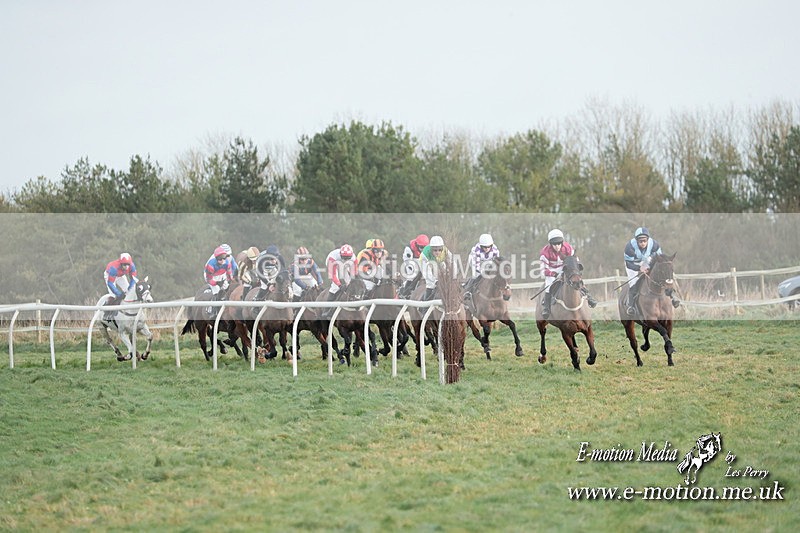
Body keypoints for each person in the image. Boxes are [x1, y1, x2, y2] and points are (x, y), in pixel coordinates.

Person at [539, 229, 597, 319]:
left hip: (565, 268)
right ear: (550, 244)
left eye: (559, 243)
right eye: (554, 244)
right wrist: (554, 274)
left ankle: (589, 297)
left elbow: (574, 260)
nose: (557, 246)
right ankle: (546, 307)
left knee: (577, 280)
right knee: (549, 285)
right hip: (551, 271)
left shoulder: (568, 248)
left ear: (562, 242)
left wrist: (576, 269)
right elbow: (543, 270)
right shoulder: (545, 252)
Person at [623, 227, 679, 313]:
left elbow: (660, 258)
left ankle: (672, 295)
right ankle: (631, 306)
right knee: (633, 282)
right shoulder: (629, 247)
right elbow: (628, 264)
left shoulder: (654, 245)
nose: (643, 243)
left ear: (648, 240)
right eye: (640, 241)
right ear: (636, 240)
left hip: (646, 260)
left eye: (645, 241)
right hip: (633, 264)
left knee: (660, 276)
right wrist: (639, 268)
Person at [463, 233, 500, 302]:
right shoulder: (476, 251)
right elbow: (476, 266)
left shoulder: (495, 251)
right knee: (475, 276)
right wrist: (481, 272)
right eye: (485, 247)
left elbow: (496, 263)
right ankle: (468, 291)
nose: (487, 249)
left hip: (488, 262)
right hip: (475, 261)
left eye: (489, 247)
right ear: (481, 246)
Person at [103, 252, 139, 320]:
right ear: (121, 263)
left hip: (120, 276)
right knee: (113, 295)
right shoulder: (114, 268)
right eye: (124, 265)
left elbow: (133, 279)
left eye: (128, 264)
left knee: (129, 292)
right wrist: (118, 293)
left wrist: (129, 288)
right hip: (110, 276)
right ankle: (107, 314)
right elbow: (110, 283)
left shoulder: (132, 266)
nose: (126, 267)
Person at [419, 235, 452, 301]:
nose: (437, 252)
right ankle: (425, 306)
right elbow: (427, 273)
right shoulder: (425, 254)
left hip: (439, 261)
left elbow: (451, 262)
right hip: (426, 262)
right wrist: (435, 281)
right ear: (431, 249)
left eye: (440, 250)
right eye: (435, 250)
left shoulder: (446, 251)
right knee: (430, 284)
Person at [204, 246, 234, 314]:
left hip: (221, 274)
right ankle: (212, 309)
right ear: (216, 258)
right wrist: (216, 283)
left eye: (224, 258)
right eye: (220, 259)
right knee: (216, 290)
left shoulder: (227, 262)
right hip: (211, 276)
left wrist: (230, 279)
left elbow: (229, 273)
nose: (223, 260)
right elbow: (209, 279)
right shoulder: (210, 265)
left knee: (226, 287)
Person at [399, 234, 429, 298]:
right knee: (411, 276)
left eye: (425, 247)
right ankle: (405, 293)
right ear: (417, 245)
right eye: (421, 247)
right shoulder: (409, 248)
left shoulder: (428, 249)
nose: (423, 250)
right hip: (410, 260)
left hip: (421, 260)